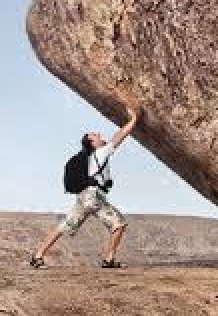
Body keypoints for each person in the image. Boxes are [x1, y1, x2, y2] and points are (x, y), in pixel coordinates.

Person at [30, 106, 140, 269]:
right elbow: (120, 136)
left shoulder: (89, 159)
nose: (100, 135)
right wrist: (133, 119)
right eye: (95, 136)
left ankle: (38, 256)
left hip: (83, 197)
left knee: (65, 225)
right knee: (119, 224)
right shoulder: (100, 153)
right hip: (93, 197)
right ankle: (109, 260)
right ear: (93, 144)